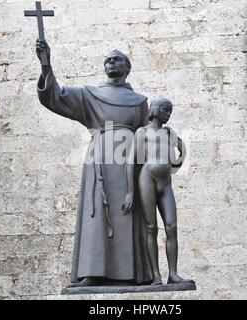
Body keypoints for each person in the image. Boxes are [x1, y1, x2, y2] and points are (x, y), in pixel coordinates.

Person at [35, 39, 152, 286]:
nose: (111, 62)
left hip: (130, 162)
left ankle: (132, 274)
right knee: (96, 212)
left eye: (116, 59)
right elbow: (55, 96)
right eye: (108, 60)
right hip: (99, 158)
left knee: (130, 213)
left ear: (127, 67)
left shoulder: (141, 101)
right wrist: (46, 65)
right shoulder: (90, 95)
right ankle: (93, 271)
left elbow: (148, 134)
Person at [122, 97, 192, 285]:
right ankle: (155, 275)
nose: (168, 114)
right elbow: (131, 160)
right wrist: (130, 191)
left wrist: (180, 154)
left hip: (165, 182)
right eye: (165, 110)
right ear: (155, 109)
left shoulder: (169, 133)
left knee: (172, 227)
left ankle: (173, 274)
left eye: (170, 111)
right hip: (147, 178)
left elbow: (180, 155)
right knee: (151, 228)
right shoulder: (142, 132)